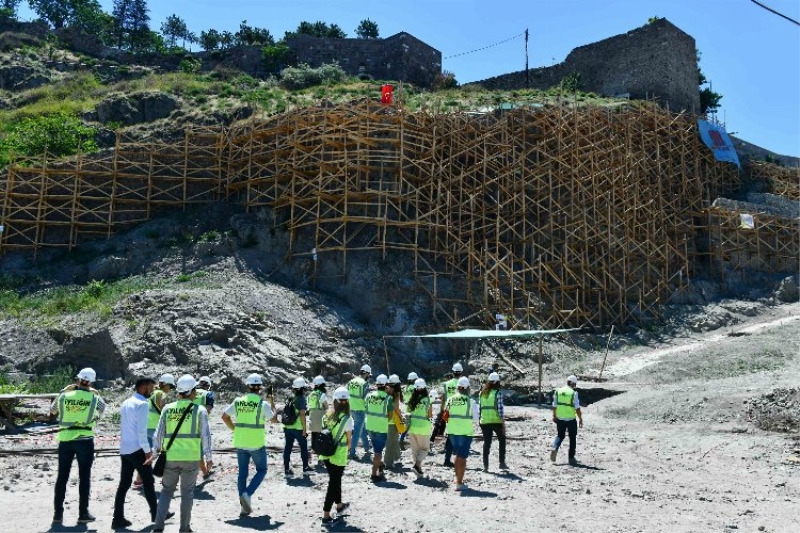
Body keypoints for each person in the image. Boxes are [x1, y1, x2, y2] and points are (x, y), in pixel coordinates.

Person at [151, 374, 213, 533]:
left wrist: (155, 452)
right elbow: (206, 435)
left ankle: (158, 527)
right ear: (192, 392)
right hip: (191, 458)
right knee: (187, 494)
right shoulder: (200, 410)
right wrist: (208, 457)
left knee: (166, 492)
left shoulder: (167, 408)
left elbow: (158, 434)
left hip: (170, 457)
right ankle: (184, 528)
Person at [51, 368, 106, 525]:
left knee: (62, 477)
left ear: (77, 381)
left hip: (65, 439)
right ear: (91, 383)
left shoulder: (64, 396)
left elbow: (52, 410)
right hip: (85, 439)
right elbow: (102, 411)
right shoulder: (95, 398)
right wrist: (95, 394)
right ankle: (83, 513)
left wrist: (63, 391)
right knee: (84, 477)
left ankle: (57, 515)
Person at [221, 373, 278, 516]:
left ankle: (243, 506)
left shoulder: (238, 401)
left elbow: (224, 416)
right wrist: (272, 402)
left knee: (242, 473)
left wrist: (234, 428)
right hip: (256, 443)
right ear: (260, 388)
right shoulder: (262, 404)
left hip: (240, 442)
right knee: (262, 470)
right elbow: (274, 420)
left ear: (248, 386)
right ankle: (247, 494)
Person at [113, 377, 164, 529]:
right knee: (148, 482)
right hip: (138, 449)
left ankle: (117, 518)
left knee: (124, 485)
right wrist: (148, 452)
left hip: (125, 449)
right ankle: (156, 514)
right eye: (151, 388)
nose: (153, 390)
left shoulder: (126, 402)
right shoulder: (142, 404)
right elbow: (141, 431)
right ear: (143, 387)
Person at [320, 387, 354, 524]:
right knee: (333, 483)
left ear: (335, 401)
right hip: (338, 454)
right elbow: (349, 441)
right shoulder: (347, 419)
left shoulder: (326, 415)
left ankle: (339, 506)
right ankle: (326, 515)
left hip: (326, 453)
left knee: (335, 479)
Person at [137, 373, 174, 490]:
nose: (170, 389)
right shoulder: (161, 394)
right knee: (165, 453)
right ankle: (166, 480)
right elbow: (164, 410)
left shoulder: (151, 393)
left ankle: (139, 480)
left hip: (145, 426)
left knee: (146, 454)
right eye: (170, 387)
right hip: (155, 428)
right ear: (166, 385)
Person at [443, 376, 478, 491]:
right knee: (462, 457)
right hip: (465, 432)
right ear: (468, 388)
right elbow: (476, 419)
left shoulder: (450, 399)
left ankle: (457, 477)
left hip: (452, 431)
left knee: (458, 455)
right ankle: (459, 483)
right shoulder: (471, 401)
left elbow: (446, 415)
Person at [364, 374, 396, 482]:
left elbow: (366, 408)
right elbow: (390, 416)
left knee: (375, 449)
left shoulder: (369, 395)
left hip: (369, 426)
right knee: (378, 452)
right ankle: (374, 474)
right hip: (381, 428)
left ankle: (380, 466)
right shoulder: (388, 398)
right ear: (386, 385)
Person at [434, 362, 463, 468]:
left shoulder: (447, 384)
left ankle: (448, 457)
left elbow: (445, 398)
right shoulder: (463, 383)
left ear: (453, 372)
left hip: (449, 411)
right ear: (461, 372)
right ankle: (450, 458)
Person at [550, 375, 583, 466]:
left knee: (560, 435)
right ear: (573, 384)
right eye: (575, 384)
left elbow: (554, 405)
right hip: (571, 419)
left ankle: (555, 447)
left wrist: (554, 416)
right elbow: (577, 408)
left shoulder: (558, 391)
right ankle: (571, 458)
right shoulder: (574, 393)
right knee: (572, 438)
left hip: (560, 418)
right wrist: (580, 419)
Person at [283, 377, 313, 477]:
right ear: (301, 388)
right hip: (298, 428)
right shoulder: (301, 399)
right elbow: (302, 415)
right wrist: (305, 429)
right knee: (304, 447)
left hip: (288, 427)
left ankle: (287, 470)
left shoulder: (291, 397)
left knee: (288, 448)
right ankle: (305, 467)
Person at [479, 372, 507, 471]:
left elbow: (480, 408)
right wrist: (503, 424)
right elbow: (500, 410)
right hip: (496, 421)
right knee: (502, 440)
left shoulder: (482, 393)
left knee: (487, 443)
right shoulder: (498, 393)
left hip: (484, 421)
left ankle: (485, 466)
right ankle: (502, 463)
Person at [407, 378, 433, 475]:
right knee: (425, 449)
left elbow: (409, 412)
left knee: (416, 451)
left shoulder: (412, 399)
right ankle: (417, 465)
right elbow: (430, 415)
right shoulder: (427, 400)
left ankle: (418, 469)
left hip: (412, 427)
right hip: (423, 427)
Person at [346, 365, 371, 459]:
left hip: (351, 408)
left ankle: (367, 447)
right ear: (367, 374)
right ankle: (352, 452)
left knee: (362, 428)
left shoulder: (351, 382)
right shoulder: (364, 383)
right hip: (360, 409)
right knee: (357, 431)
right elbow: (366, 398)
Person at [194, 376, 215, 479]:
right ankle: (206, 469)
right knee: (204, 447)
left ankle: (204, 470)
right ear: (208, 385)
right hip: (201, 422)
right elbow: (209, 407)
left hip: (188, 422)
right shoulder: (208, 394)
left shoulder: (191, 391)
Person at [308, 375, 329, 466]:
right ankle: (320, 459)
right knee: (321, 438)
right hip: (320, 417)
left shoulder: (310, 394)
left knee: (314, 437)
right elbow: (326, 406)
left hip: (312, 416)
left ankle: (310, 454)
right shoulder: (322, 394)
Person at [383, 374, 403, 469]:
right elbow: (396, 408)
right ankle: (388, 462)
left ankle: (397, 458)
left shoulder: (384, 391)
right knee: (391, 441)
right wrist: (401, 417)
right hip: (393, 420)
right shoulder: (396, 394)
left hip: (384, 419)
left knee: (393, 440)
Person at [398, 372, 418, 447]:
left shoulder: (407, 388)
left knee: (407, 426)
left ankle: (401, 439)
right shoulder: (415, 388)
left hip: (407, 410)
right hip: (414, 410)